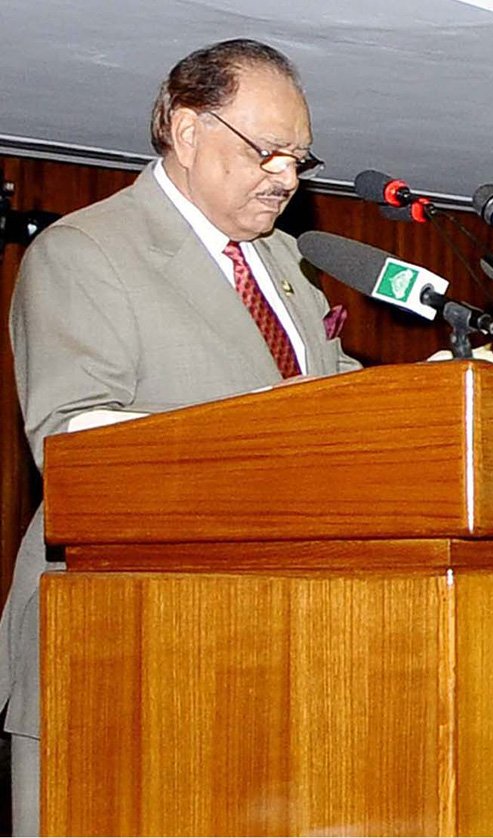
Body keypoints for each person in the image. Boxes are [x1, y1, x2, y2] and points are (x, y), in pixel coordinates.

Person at [1, 38, 361, 835]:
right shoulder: (85, 251)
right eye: (268, 151)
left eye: (300, 158)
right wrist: (272, 438)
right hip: (117, 648)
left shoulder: (289, 265)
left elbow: (330, 417)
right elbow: (77, 443)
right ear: (189, 131)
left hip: (275, 641)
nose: (288, 178)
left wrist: (408, 400)